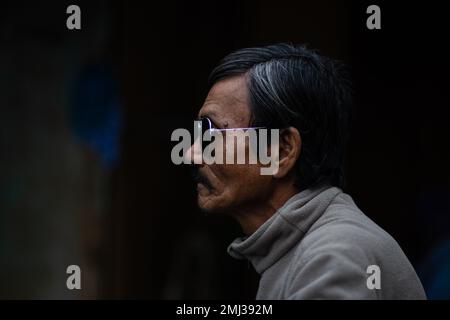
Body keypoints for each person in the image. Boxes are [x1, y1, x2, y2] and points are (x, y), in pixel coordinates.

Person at [185, 43, 426, 299]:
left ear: (282, 151)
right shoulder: (305, 248)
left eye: (212, 132)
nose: (191, 153)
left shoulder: (335, 255)